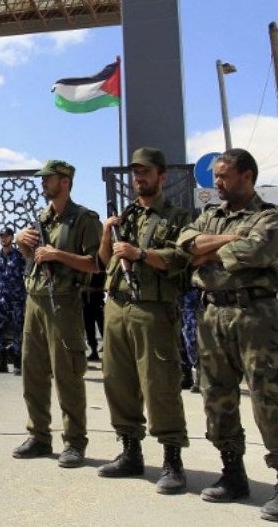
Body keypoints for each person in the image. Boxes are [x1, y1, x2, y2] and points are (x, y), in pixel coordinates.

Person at [176, 148, 278, 521]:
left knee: (270, 396)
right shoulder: (210, 215)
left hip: (255, 315)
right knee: (216, 395)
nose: (217, 182)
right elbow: (186, 246)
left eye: (224, 176)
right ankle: (233, 473)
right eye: (216, 176)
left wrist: (209, 249)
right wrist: (228, 240)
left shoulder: (270, 215)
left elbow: (257, 250)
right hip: (212, 313)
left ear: (247, 176)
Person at [96, 147, 190, 494]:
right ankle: (130, 451)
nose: (139, 178)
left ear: (161, 176)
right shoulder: (126, 216)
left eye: (145, 172)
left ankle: (172, 460)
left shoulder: (177, 217)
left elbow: (181, 258)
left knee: (159, 383)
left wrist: (141, 254)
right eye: (135, 172)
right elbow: (103, 261)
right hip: (117, 305)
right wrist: (107, 233)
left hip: (153, 308)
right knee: (117, 381)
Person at [11, 159, 101, 469]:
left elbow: (96, 264)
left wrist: (57, 254)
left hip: (63, 304)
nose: (43, 183)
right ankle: (38, 436)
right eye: (43, 179)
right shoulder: (41, 219)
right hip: (35, 302)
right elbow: (35, 261)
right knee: (33, 374)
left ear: (65, 181)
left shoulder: (85, 219)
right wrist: (23, 245)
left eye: (48, 179)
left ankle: (74, 441)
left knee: (67, 375)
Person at [0, 226, 26, 375]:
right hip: (0, 299)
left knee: (17, 329)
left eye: (6, 235)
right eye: (1, 236)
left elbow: (26, 274)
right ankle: (1, 362)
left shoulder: (19, 256)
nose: (3, 238)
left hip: (16, 299)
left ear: (11, 238)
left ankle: (17, 362)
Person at [82, 271, 105, 362]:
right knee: (89, 329)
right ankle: (94, 351)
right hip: (86, 305)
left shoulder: (100, 273)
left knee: (103, 328)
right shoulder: (82, 273)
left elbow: (106, 287)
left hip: (98, 303)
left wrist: (94, 290)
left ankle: (108, 350)